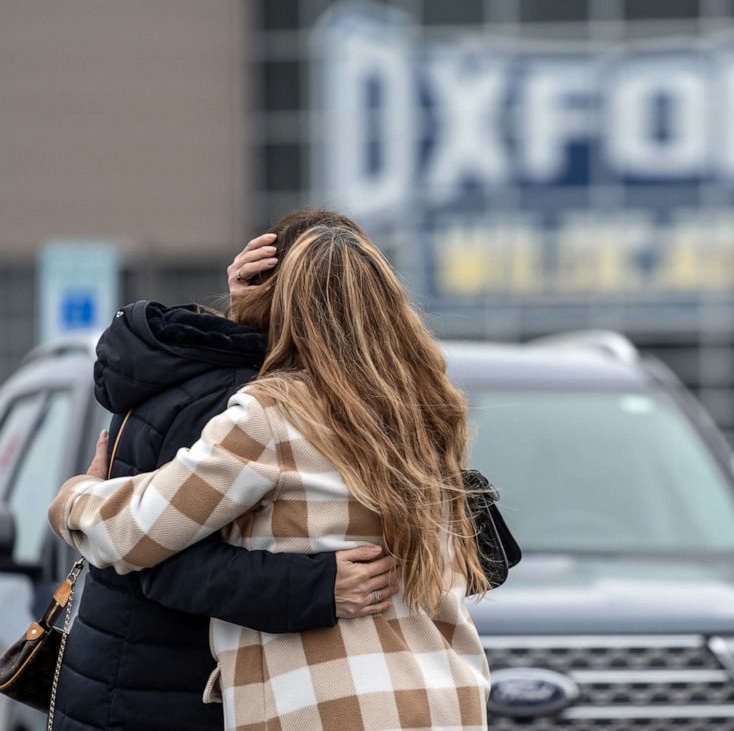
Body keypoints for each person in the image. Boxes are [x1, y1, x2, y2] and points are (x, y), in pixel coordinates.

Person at [49, 214, 491, 730]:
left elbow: (133, 534)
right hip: (445, 699)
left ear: (281, 305)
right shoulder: (427, 410)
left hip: (327, 707)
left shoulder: (273, 416)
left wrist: (76, 496)